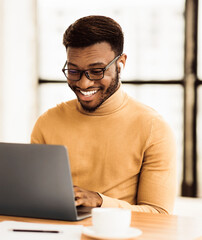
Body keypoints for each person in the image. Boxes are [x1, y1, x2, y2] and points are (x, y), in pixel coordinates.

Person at [31, 15, 176, 214]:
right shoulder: (48, 122)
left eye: (97, 71)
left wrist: (100, 202)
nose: (84, 83)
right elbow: (34, 198)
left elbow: (160, 214)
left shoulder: (153, 127)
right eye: (73, 71)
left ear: (121, 63)